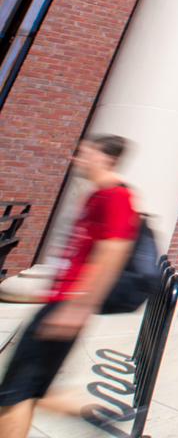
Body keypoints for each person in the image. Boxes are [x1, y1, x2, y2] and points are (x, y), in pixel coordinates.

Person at [0, 136, 140, 437]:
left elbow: (113, 252)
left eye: (85, 154)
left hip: (68, 305)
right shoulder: (95, 194)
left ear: (107, 159)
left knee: (13, 395)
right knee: (27, 391)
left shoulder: (116, 196)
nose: (77, 160)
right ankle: (104, 425)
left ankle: (106, 426)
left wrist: (78, 307)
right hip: (60, 302)